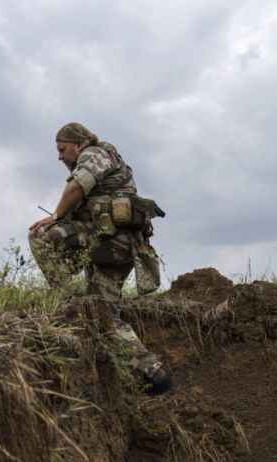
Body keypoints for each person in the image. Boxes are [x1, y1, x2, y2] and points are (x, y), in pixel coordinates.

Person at [28, 122, 173, 395]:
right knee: (101, 315)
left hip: (111, 244)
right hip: (119, 249)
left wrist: (57, 217)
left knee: (41, 235)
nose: (60, 157)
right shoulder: (106, 158)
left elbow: (76, 189)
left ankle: (63, 299)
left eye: (63, 150)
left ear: (80, 144)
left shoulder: (93, 154)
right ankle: (155, 376)